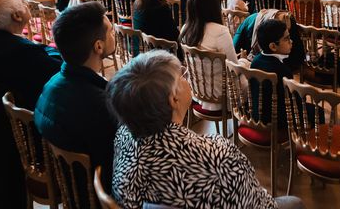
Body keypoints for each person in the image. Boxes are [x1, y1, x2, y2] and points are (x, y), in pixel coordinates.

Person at [106, 51, 303, 209]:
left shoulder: (123, 137)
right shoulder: (217, 155)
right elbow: (258, 204)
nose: (187, 78)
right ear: (173, 100)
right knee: (295, 202)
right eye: (182, 76)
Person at [34, 2, 118, 190]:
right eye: (111, 31)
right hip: (93, 192)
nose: (114, 35)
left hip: (66, 184)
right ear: (98, 46)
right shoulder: (100, 105)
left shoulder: (52, 83)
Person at [0, 0, 62, 110]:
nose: (27, 3)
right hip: (33, 113)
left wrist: (41, 48)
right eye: (23, 2)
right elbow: (62, 69)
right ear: (17, 16)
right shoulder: (24, 52)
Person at [179, 0, 238, 110]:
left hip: (197, 91)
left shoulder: (185, 28)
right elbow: (233, 67)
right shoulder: (220, 31)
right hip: (221, 95)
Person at [233, 10, 304, 72]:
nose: (291, 41)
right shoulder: (284, 70)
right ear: (273, 46)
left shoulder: (254, 62)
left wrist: (244, 61)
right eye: (287, 39)